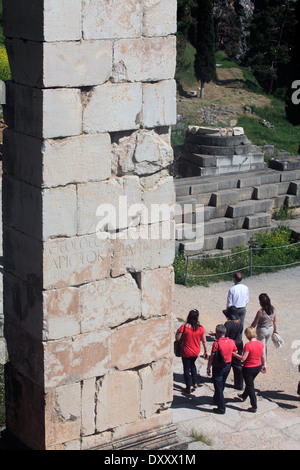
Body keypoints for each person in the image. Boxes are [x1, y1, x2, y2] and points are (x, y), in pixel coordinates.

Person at [207, 324, 237, 414]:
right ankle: (217, 398)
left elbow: (212, 357)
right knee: (222, 383)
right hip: (227, 365)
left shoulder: (217, 343)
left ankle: (221, 407)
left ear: (217, 333)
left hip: (218, 366)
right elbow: (235, 351)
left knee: (218, 386)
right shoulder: (231, 341)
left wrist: (208, 367)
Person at [176, 309, 208, 394]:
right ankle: (195, 382)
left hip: (186, 351)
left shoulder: (184, 327)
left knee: (186, 368)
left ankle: (188, 387)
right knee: (193, 366)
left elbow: (178, 338)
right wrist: (205, 351)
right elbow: (204, 341)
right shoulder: (200, 328)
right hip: (195, 351)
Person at [235, 327, 266, 413]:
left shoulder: (248, 345)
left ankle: (254, 406)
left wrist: (234, 354)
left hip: (248, 368)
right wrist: (263, 365)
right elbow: (263, 355)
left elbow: (243, 358)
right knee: (250, 382)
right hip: (257, 367)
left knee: (250, 386)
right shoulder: (260, 343)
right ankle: (244, 395)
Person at [251, 293, 278, 361]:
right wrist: (275, 330)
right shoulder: (273, 310)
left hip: (262, 330)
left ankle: (263, 363)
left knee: (261, 346)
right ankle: (263, 359)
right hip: (270, 329)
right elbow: (275, 321)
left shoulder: (260, 312)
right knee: (264, 344)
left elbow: (255, 322)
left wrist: (250, 328)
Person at [223, 306, 244, 390]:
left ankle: (222, 379)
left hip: (230, 344)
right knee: (237, 365)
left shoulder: (228, 324)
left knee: (225, 362)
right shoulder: (240, 323)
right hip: (239, 343)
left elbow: (225, 335)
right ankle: (239, 384)